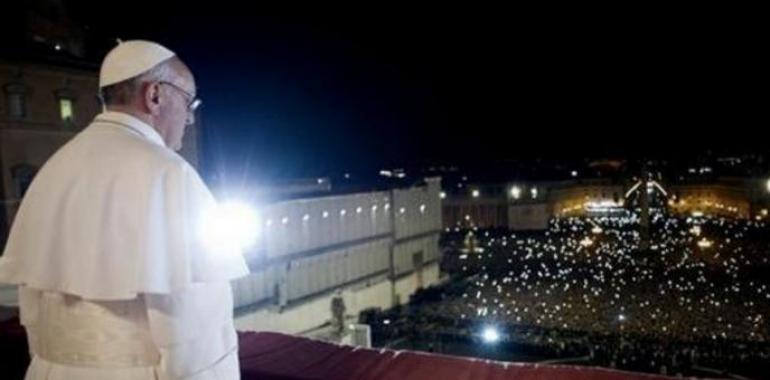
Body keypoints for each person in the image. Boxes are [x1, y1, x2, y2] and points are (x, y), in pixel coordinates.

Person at [0, 40, 249, 379]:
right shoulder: (171, 174)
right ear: (155, 95)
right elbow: (196, 328)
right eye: (188, 102)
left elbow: (31, 310)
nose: (190, 118)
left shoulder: (52, 168)